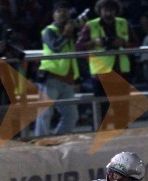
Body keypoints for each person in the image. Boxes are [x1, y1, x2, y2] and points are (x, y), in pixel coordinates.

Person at [76, 0, 138, 129]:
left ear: (116, 10)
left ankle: (122, 135)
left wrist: (123, 43)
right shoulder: (91, 25)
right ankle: (99, 133)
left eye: (111, 9)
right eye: (105, 9)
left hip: (121, 70)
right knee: (101, 108)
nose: (108, 12)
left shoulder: (123, 23)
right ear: (99, 10)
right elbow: (79, 47)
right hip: (100, 72)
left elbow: (136, 44)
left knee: (122, 106)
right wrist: (94, 42)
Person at [35, 2, 80, 137]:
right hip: (51, 78)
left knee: (72, 115)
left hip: (67, 79)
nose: (63, 14)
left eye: (65, 11)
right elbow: (55, 47)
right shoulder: (48, 31)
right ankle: (40, 141)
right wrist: (66, 34)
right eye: (59, 11)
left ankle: (58, 139)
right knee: (45, 114)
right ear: (53, 15)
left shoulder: (71, 32)